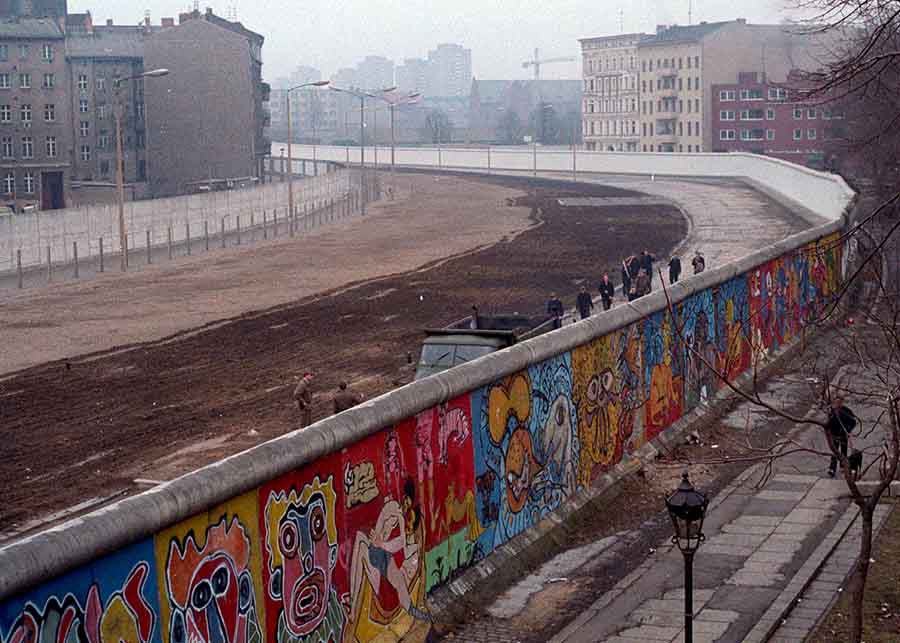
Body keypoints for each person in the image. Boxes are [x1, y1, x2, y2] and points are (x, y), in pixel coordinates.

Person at [825, 396, 857, 477]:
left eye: (839, 402)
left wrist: (848, 430)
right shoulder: (832, 411)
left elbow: (853, 422)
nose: (838, 403)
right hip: (835, 435)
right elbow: (828, 423)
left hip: (843, 435)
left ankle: (843, 467)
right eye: (836, 402)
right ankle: (832, 469)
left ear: (842, 402)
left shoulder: (847, 411)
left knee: (843, 452)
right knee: (835, 452)